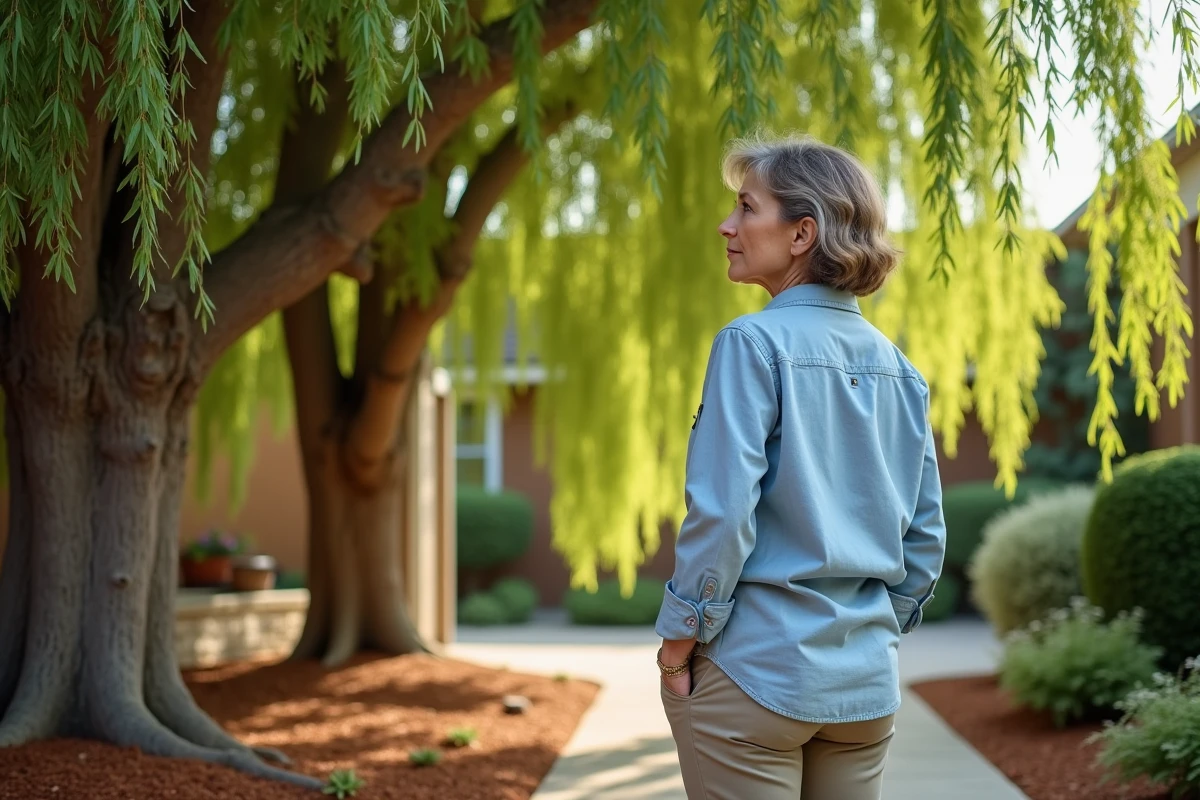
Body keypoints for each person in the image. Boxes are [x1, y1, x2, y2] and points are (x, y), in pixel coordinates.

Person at [654, 132, 947, 800]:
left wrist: (679, 643)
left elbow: (724, 513)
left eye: (747, 208)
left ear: (800, 234)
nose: (726, 225)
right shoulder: (900, 370)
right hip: (864, 692)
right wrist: (869, 635)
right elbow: (925, 539)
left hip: (756, 676)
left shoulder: (750, 343)